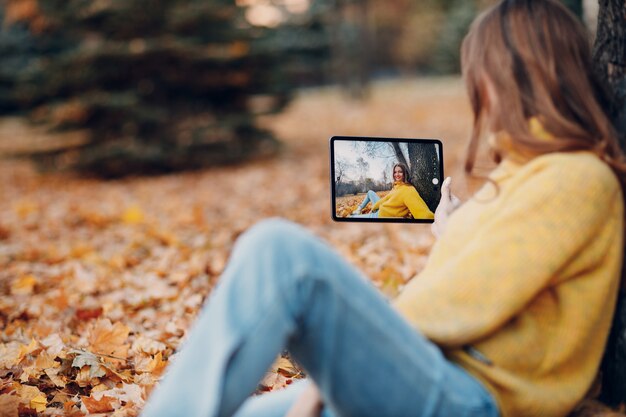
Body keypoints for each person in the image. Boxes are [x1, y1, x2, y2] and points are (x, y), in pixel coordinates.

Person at [140, 1, 626, 416]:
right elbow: (500, 275)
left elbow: (464, 299)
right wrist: (453, 230)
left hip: (474, 399)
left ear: (518, 76)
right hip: (442, 377)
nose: (478, 97)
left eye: (481, 81)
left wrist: (329, 376)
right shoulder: (527, 173)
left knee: (279, 253)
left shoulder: (576, 176)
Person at [350, 162, 435, 219]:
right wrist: (375, 206)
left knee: (351, 218)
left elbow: (422, 212)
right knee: (370, 192)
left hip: (380, 215)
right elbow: (386, 199)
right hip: (381, 208)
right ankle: (359, 209)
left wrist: (435, 220)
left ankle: (356, 215)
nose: (397, 174)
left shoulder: (408, 190)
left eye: (400, 172)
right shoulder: (396, 186)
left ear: (405, 173)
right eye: (395, 172)